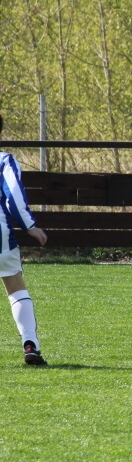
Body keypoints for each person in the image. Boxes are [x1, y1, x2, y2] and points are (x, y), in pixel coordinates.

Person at [1, 114, 49, 365]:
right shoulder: (4, 160)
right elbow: (14, 197)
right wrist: (29, 226)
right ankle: (30, 343)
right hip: (1, 239)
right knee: (15, 286)